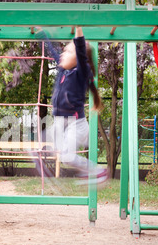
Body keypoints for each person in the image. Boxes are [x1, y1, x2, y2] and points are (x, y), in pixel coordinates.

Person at [37, 26, 107, 183]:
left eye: (68, 52)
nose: (62, 54)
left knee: (67, 158)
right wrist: (43, 34)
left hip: (76, 123)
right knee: (48, 146)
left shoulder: (80, 73)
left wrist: (79, 27)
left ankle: (99, 171)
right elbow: (54, 51)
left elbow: (81, 51)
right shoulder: (63, 70)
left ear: (78, 59)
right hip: (61, 121)